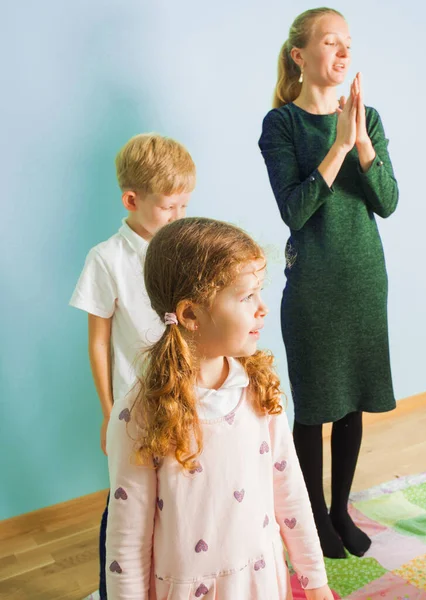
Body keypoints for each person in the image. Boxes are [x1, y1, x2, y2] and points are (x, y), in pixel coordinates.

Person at [105, 217, 334, 599]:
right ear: (191, 314)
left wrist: (316, 581)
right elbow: (127, 545)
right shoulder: (139, 415)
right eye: (246, 296)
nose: (262, 308)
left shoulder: (259, 388)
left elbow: (290, 492)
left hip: (262, 582)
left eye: (260, 292)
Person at [258, 7, 399, 558]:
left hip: (366, 281)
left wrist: (362, 142)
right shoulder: (282, 125)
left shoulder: (372, 119)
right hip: (314, 286)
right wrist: (338, 145)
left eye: (348, 44)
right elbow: (295, 211)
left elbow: (386, 202)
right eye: (329, 42)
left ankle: (340, 509)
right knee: (316, 405)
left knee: (352, 403)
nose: (343, 52)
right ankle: (313, 515)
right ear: (300, 54)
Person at [69, 133, 196, 598]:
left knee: (181, 501)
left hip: (186, 399)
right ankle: (114, 589)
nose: (179, 217)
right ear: (132, 199)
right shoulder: (106, 259)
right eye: (170, 207)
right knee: (126, 509)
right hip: (134, 407)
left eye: (186, 205)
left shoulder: (183, 248)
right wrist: (108, 412)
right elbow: (99, 341)